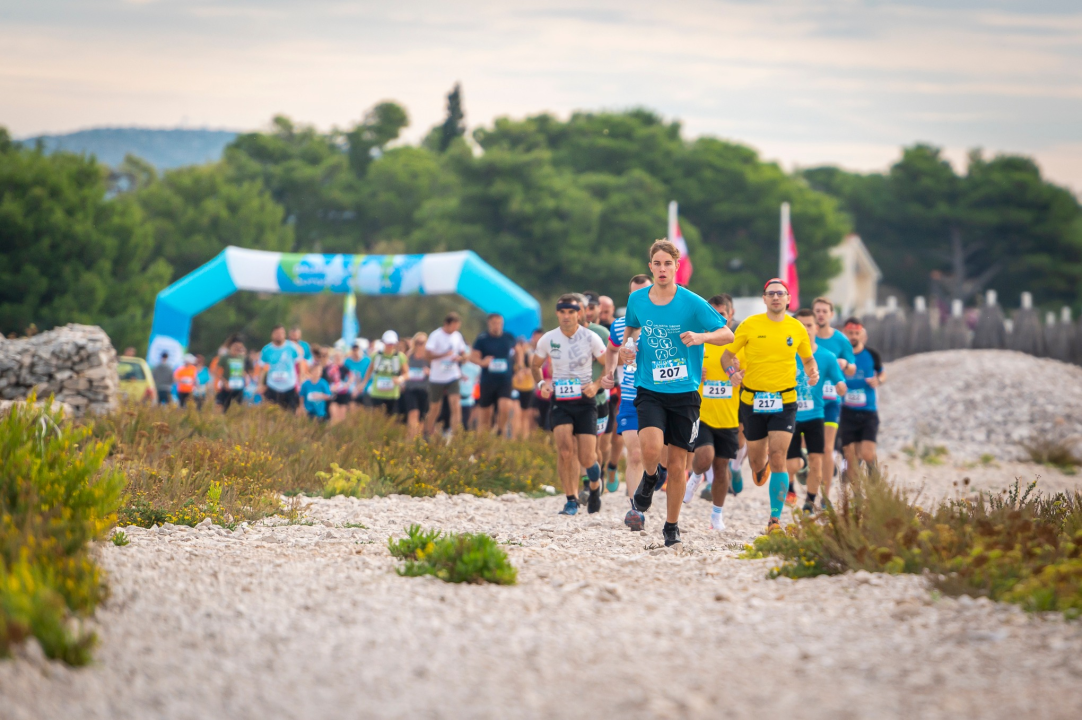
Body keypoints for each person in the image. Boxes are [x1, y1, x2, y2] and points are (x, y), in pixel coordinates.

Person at [603, 241, 733, 546]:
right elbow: (631, 330)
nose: (662, 269)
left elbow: (727, 333)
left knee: (677, 466)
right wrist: (627, 349)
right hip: (649, 388)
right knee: (649, 449)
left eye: (667, 263)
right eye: (657, 264)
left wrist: (701, 336)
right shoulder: (637, 299)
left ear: (676, 266)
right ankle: (650, 478)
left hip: (684, 392)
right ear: (650, 267)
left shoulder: (692, 302)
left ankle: (671, 526)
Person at [722, 279, 818, 534]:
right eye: (771, 293)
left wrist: (813, 371)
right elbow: (726, 356)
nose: (776, 297)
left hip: (785, 400)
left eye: (780, 293)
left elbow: (808, 359)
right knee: (757, 464)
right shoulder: (749, 325)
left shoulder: (797, 328)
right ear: (764, 298)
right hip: (752, 401)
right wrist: (732, 374)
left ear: (788, 298)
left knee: (778, 456)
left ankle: (774, 519)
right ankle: (759, 465)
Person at [533, 294, 609, 515]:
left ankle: (594, 486)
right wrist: (541, 384)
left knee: (587, 457)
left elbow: (608, 364)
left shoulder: (591, 337)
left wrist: (596, 385)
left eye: (571, 312)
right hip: (561, 401)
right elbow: (535, 365)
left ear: (579, 313)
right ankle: (571, 500)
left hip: (585, 402)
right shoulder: (548, 338)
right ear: (557, 313)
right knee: (565, 451)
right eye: (562, 312)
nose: (566, 316)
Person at [683, 295, 744, 531]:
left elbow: (750, 377)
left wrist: (740, 375)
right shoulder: (697, 343)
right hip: (701, 414)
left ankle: (717, 516)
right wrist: (695, 374)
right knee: (705, 456)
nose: (718, 319)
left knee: (721, 468)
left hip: (728, 418)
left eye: (722, 315)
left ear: (730, 316)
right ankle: (696, 475)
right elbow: (679, 374)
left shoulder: (738, 347)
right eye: (714, 314)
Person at [790, 309, 848, 514]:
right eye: (801, 325)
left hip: (815, 415)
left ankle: (810, 501)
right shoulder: (786, 355)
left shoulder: (827, 357)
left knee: (818, 460)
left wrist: (841, 386)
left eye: (809, 325)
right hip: (790, 415)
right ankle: (795, 476)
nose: (805, 330)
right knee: (791, 463)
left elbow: (839, 380)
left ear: (816, 327)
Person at [609, 275, 652, 505]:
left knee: (658, 457)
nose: (641, 298)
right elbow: (610, 350)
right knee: (635, 455)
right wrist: (609, 372)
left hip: (661, 397)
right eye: (636, 294)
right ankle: (635, 509)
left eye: (646, 292)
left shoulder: (668, 322)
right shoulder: (619, 325)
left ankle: (656, 477)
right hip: (630, 397)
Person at [812, 297, 857, 506]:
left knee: (828, 449)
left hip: (831, 401)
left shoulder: (841, 340)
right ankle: (805, 471)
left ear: (831, 315)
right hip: (807, 401)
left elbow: (853, 368)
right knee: (807, 446)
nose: (820, 315)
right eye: (817, 311)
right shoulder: (807, 338)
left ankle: (825, 496)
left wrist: (845, 364)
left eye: (824, 311)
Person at [840, 318, 885, 481]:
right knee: (851, 456)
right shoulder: (840, 356)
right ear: (844, 334)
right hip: (847, 412)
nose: (853, 336)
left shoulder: (872, 355)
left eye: (856, 333)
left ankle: (874, 478)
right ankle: (855, 489)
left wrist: (878, 380)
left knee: (867, 453)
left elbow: (882, 373)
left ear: (862, 335)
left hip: (868, 412)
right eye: (850, 333)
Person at [472, 313, 517, 436]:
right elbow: (473, 357)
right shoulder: (482, 339)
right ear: (489, 324)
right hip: (488, 381)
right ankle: (484, 440)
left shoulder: (509, 337)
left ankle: (500, 431)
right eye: (494, 323)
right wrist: (482, 362)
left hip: (505, 380)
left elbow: (519, 351)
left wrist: (519, 366)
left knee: (505, 407)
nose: (497, 326)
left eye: (499, 323)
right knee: (485, 415)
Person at [425, 313, 470, 436]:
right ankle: (427, 433)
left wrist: (461, 358)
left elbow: (464, 354)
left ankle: (455, 435)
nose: (455, 329)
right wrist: (444, 355)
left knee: (455, 405)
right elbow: (427, 355)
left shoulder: (457, 336)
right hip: (437, 377)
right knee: (435, 408)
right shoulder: (436, 335)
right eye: (453, 326)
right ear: (446, 324)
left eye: (457, 327)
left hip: (453, 376)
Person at [361, 330, 409, 416]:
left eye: (392, 343)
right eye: (388, 343)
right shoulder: (376, 355)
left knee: (390, 417)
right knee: (377, 417)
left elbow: (407, 373)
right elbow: (370, 370)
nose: (390, 346)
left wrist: (400, 379)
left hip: (392, 394)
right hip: (377, 392)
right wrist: (364, 383)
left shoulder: (400, 357)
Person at [259, 325, 303, 411]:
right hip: (273, 386)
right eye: (276, 333)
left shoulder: (292, 347)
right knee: (272, 412)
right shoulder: (266, 349)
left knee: (291, 413)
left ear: (285, 334)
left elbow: (299, 363)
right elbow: (262, 368)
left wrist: (300, 380)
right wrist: (260, 384)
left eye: (281, 333)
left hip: (290, 386)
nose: (279, 335)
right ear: (272, 335)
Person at [403, 333, 430, 439]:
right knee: (413, 412)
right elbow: (403, 371)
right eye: (417, 342)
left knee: (422, 416)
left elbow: (436, 373)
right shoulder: (408, 357)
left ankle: (419, 438)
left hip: (424, 389)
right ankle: (411, 437)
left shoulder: (428, 358)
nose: (419, 345)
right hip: (411, 389)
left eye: (422, 343)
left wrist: (429, 372)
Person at [511, 337, 536, 438]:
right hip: (516, 388)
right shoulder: (512, 357)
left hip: (527, 388)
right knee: (516, 412)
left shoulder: (529, 355)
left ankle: (524, 437)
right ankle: (514, 436)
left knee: (525, 414)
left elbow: (534, 369)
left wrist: (526, 370)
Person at [215, 339, 249, 412]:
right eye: (235, 346)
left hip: (238, 386)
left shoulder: (241, 358)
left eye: (239, 347)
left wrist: (246, 378)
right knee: (223, 406)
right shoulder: (225, 357)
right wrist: (224, 382)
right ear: (230, 346)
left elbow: (242, 371)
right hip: (227, 386)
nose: (237, 348)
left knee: (237, 407)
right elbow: (216, 371)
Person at [343, 340, 370, 411]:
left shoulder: (367, 360)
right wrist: (353, 388)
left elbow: (369, 377)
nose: (355, 352)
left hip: (364, 386)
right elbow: (346, 378)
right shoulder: (347, 361)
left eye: (357, 349)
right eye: (354, 349)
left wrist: (361, 386)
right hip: (351, 386)